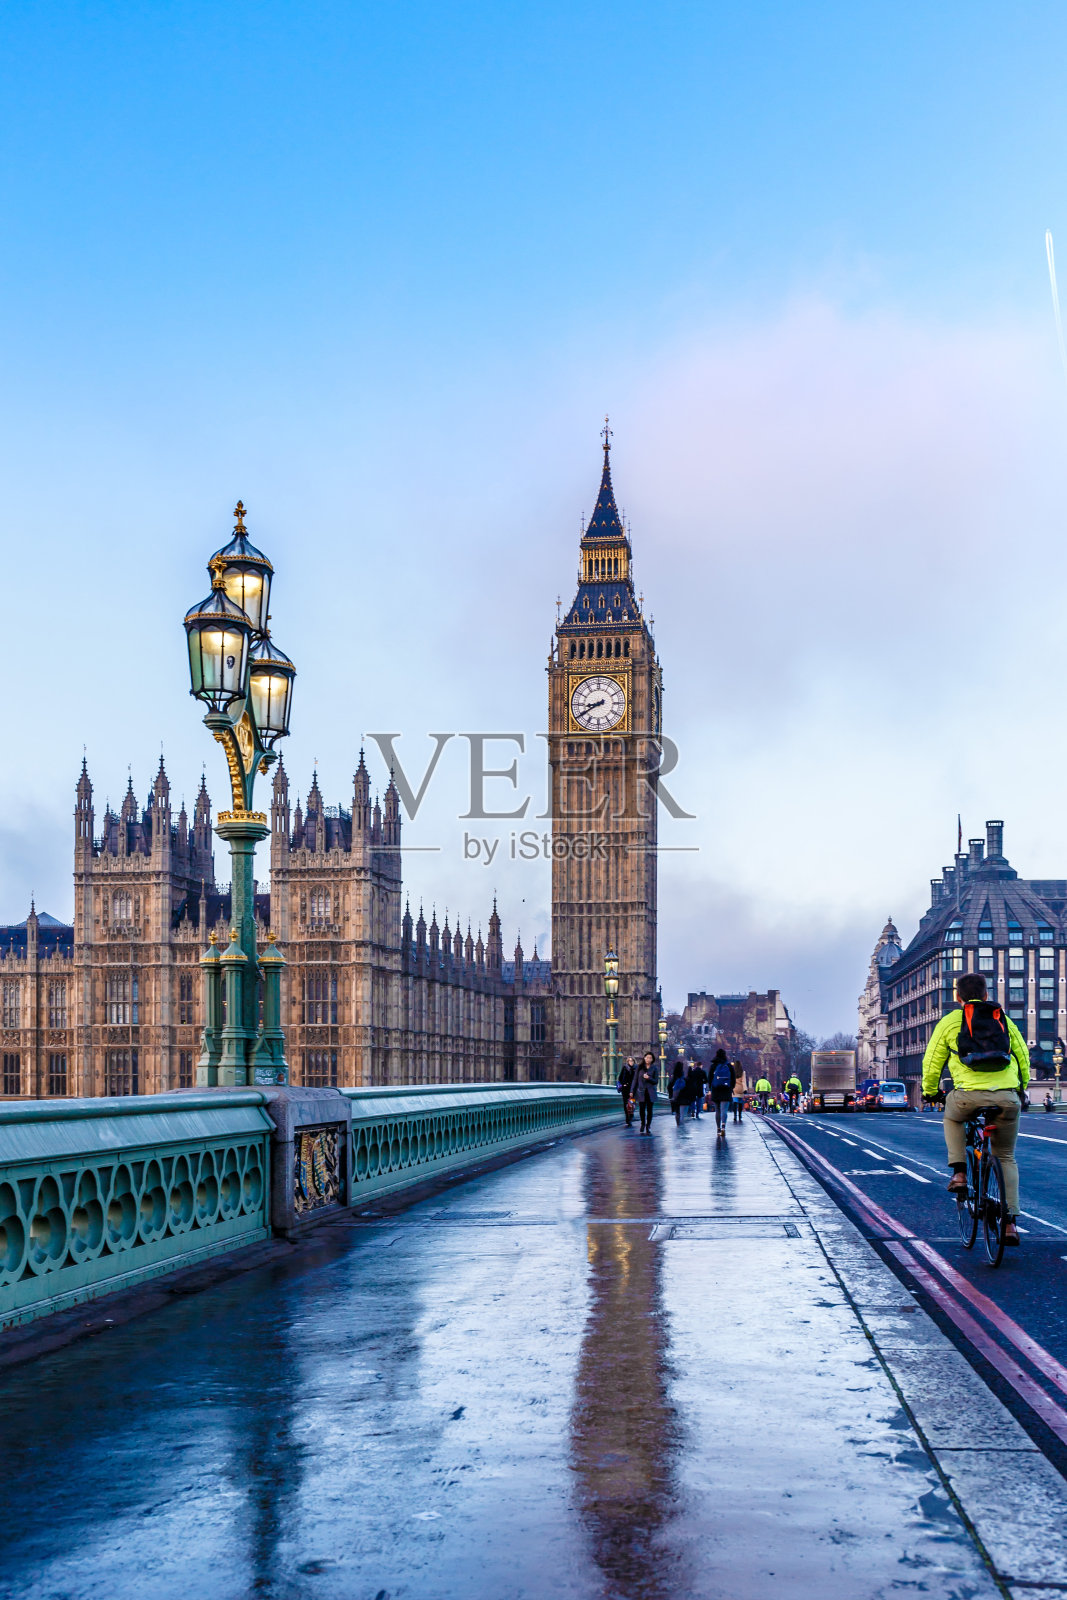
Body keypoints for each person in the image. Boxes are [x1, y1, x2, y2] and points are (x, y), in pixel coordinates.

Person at [921, 972, 1029, 1247]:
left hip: (966, 1096)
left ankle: (958, 1172)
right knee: (1005, 1156)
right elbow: (1021, 1055)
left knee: (953, 1118)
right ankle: (1010, 1224)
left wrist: (930, 1091)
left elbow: (932, 1061)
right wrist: (1021, 1087)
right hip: (1007, 1096)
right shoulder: (1001, 1017)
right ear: (986, 995)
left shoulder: (950, 1022)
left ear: (958, 997)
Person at [708, 1049, 736, 1137]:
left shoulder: (713, 1066)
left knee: (717, 1110)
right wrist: (731, 1087)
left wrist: (711, 1088)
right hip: (726, 1090)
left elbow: (709, 1078)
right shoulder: (729, 1066)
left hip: (716, 1090)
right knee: (724, 1110)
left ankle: (718, 1129)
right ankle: (723, 1126)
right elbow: (733, 1079)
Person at [634, 1051, 658, 1135]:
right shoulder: (639, 1067)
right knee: (641, 1109)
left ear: (652, 1059)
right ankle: (643, 1123)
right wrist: (631, 1091)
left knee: (649, 1110)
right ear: (644, 1058)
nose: (648, 1059)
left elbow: (656, 1081)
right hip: (641, 1092)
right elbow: (635, 1080)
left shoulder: (654, 1068)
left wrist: (649, 1078)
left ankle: (648, 1126)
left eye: (650, 1058)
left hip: (650, 1092)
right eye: (647, 1057)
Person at [617, 1056, 636, 1128]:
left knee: (632, 1103)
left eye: (632, 1061)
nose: (631, 1062)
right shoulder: (624, 1068)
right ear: (627, 1062)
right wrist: (623, 1084)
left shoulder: (635, 1069)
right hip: (625, 1089)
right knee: (625, 1104)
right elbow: (620, 1077)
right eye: (629, 1061)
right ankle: (627, 1119)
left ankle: (631, 1115)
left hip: (632, 1089)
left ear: (634, 1061)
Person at [668, 1060, 687, 1125]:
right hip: (682, 1096)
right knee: (682, 1113)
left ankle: (678, 1124)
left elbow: (669, 1087)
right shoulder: (683, 1076)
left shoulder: (673, 1077)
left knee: (677, 1112)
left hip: (675, 1097)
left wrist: (671, 1095)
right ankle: (681, 1125)